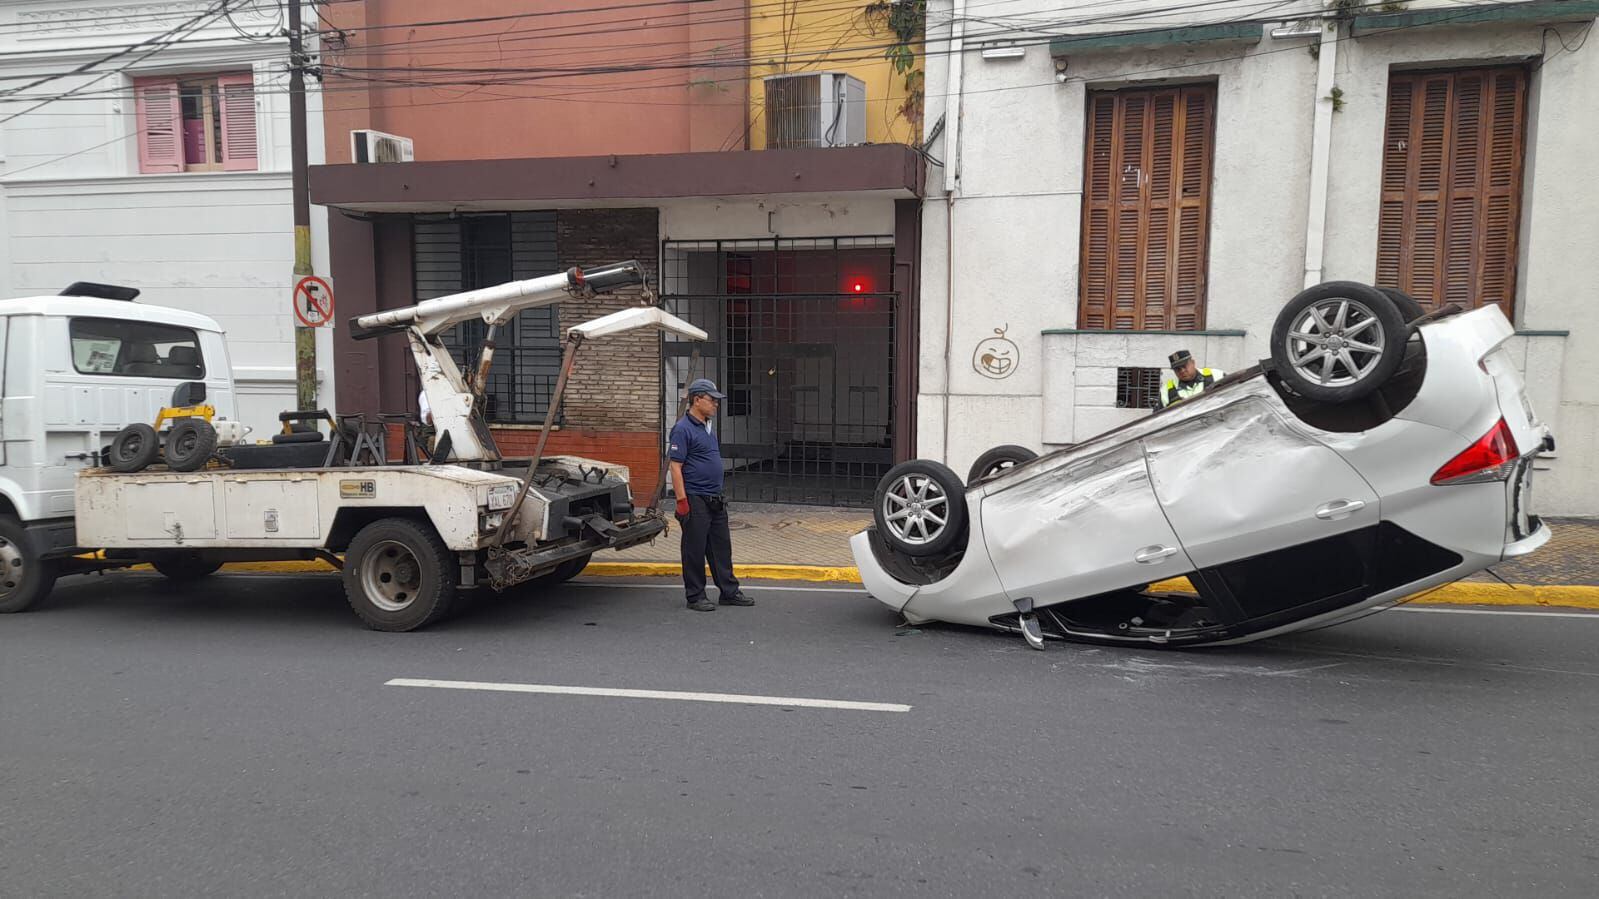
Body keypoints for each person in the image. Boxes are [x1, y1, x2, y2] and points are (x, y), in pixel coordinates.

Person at [669, 378, 753, 612]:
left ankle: (729, 592)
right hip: (695, 498)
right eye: (712, 400)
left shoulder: (707, 426)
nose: (716, 405)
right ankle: (695, 596)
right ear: (697, 400)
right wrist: (682, 501)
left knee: (721, 547)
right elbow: (675, 467)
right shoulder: (683, 429)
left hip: (715, 498)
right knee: (694, 549)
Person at [1160, 349, 1225, 408]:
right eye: (1177, 369)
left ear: (1193, 363)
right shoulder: (1167, 390)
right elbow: (1157, 417)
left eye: (1184, 366)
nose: (1182, 371)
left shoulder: (1217, 376)